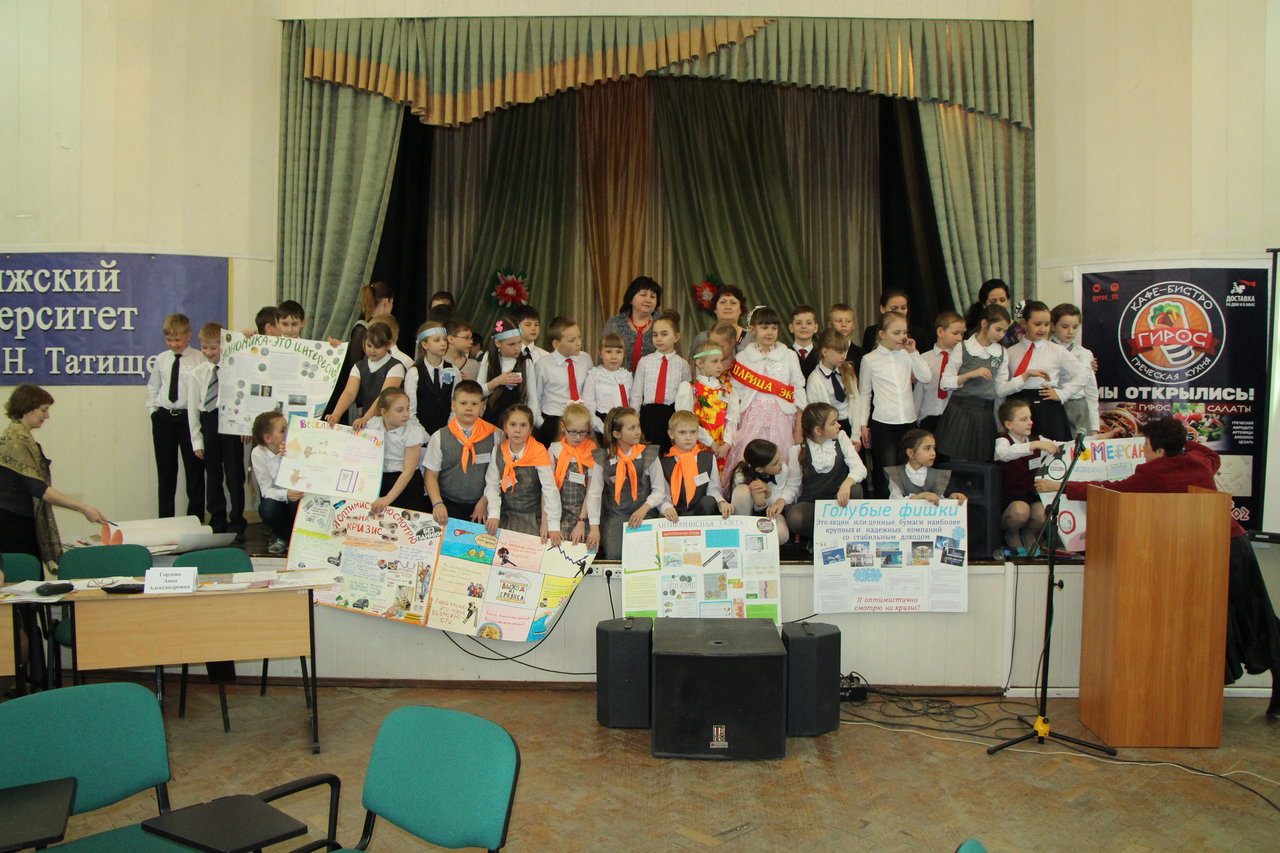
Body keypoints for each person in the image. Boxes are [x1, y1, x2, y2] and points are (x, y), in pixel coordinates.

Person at [1035, 416, 1280, 714]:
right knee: (1253, 614)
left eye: (1146, 446)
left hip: (1214, 550)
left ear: (1161, 452)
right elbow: (1207, 452)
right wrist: (1175, 438)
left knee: (1224, 619)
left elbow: (1109, 488)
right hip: (1235, 544)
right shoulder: (1200, 461)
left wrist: (1058, 485)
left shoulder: (1155, 472)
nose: (1142, 451)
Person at [1, 385, 108, 566]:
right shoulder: (15, 443)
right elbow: (40, 489)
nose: (47, 416)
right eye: (44, 410)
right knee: (24, 574)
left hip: (20, 520)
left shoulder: (22, 439)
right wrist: (83, 508)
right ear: (28, 408)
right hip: (12, 524)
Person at [721, 306, 806, 487]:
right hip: (751, 418)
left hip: (782, 418)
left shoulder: (789, 356)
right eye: (764, 327)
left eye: (774, 328)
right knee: (750, 461)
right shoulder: (743, 357)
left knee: (781, 461)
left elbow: (798, 388)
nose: (769, 332)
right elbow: (736, 394)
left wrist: (799, 425)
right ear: (753, 329)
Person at [856, 311, 931, 498]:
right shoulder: (870, 359)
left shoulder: (907, 355)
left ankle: (909, 507)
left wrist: (913, 353)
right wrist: (863, 424)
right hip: (884, 423)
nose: (902, 337)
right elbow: (864, 393)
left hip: (909, 421)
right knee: (886, 473)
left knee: (910, 470)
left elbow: (925, 377)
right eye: (896, 333)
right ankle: (884, 511)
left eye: (904, 332)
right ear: (882, 334)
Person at [936, 304, 1020, 463]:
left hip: (985, 413)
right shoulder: (963, 348)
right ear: (984, 323)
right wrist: (969, 374)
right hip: (961, 410)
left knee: (982, 463)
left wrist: (1023, 379)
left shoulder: (1001, 353)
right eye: (998, 329)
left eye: (1004, 331)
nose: (1001, 335)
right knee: (958, 462)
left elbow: (1000, 390)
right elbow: (945, 382)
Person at [186, 322, 246, 541]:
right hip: (209, 421)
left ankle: (237, 520)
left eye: (214, 347)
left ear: (224, 346)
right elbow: (193, 409)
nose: (209, 352)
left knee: (234, 474)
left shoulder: (235, 368)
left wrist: (245, 425)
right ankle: (217, 520)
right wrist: (196, 441)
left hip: (231, 422)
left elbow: (245, 398)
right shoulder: (198, 373)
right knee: (213, 475)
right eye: (205, 347)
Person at [1001, 300, 1088, 442]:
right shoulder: (1010, 352)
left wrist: (1063, 393)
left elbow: (1083, 374)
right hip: (1017, 406)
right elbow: (1002, 387)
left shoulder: (1057, 351)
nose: (1042, 329)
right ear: (1024, 323)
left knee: (1052, 450)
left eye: (1046, 324)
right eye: (1037, 324)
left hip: (1047, 406)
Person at [146, 312, 206, 518]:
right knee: (166, 473)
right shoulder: (162, 359)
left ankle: (195, 518)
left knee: (194, 472)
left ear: (189, 335)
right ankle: (165, 520)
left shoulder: (199, 358)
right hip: (164, 419)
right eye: (169, 340)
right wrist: (153, 412)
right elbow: (153, 386)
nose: (173, 344)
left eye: (177, 339)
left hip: (189, 420)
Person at [783, 403, 867, 541]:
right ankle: (823, 539)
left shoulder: (841, 438)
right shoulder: (798, 450)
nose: (839, 425)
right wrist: (781, 501)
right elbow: (793, 486)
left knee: (855, 489)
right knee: (795, 517)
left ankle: (842, 536)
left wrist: (847, 483)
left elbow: (859, 468)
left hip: (839, 501)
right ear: (818, 430)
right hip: (813, 505)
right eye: (833, 423)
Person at [586, 406, 660, 559]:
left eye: (638, 426)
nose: (638, 431)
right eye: (631, 428)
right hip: (616, 516)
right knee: (615, 554)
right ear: (616, 434)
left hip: (645, 514)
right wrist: (594, 527)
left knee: (645, 557)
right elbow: (594, 495)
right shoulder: (603, 458)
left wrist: (644, 509)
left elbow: (660, 490)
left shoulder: (649, 454)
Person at [423, 380, 500, 525]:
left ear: (482, 407)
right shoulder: (439, 437)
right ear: (453, 405)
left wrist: (485, 501)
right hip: (447, 503)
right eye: (463, 403)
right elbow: (431, 475)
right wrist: (437, 503)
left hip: (482, 504)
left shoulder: (496, 435)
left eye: (474, 404)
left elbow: (499, 475)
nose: (469, 408)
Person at [484, 404, 561, 541]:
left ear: (530, 429)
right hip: (505, 513)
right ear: (505, 427)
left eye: (523, 425)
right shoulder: (498, 451)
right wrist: (494, 513)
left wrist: (551, 524)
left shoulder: (539, 451)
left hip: (531, 516)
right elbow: (492, 485)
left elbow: (549, 489)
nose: (517, 430)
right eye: (513, 424)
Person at [995, 399, 1058, 557]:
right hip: (1008, 499)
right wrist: (1033, 446)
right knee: (1020, 510)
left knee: (1043, 512)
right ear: (1009, 424)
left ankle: (1029, 534)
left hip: (1031, 496)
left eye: (1030, 418)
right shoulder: (1003, 440)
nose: (1030, 422)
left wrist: (1101, 437)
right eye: (1024, 419)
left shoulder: (1038, 440)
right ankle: (1011, 534)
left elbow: (1064, 445)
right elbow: (1003, 454)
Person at [325, 280, 393, 422]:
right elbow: (355, 366)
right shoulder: (362, 328)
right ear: (387, 301)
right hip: (362, 399)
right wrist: (360, 403)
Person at [647, 410, 733, 521]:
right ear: (671, 434)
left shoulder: (708, 459)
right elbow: (663, 494)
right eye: (682, 432)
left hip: (703, 514)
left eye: (693, 432)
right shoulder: (664, 463)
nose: (688, 437)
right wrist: (666, 507)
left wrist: (722, 502)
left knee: (708, 501)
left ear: (698, 433)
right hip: (676, 516)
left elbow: (713, 491)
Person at [326, 321, 405, 430]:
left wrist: (365, 418)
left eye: (377, 347)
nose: (372, 350)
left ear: (388, 345)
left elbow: (384, 397)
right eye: (369, 345)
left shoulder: (396, 366)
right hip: (368, 423)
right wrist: (336, 414)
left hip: (391, 424)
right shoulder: (358, 366)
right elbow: (349, 392)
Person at [674, 342, 736, 476]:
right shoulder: (689, 388)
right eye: (714, 361)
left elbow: (732, 418)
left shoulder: (728, 389)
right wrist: (710, 443)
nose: (719, 365)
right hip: (697, 444)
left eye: (721, 360)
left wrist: (727, 445)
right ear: (700, 363)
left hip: (723, 448)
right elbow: (686, 421)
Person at [632, 311, 688, 453]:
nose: (659, 339)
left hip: (672, 414)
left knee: (670, 453)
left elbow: (686, 396)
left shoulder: (682, 364)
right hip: (648, 415)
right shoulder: (645, 362)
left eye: (664, 334)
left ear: (676, 337)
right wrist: (634, 418)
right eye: (655, 334)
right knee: (647, 453)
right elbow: (637, 393)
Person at [365, 387, 428, 513]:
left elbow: (408, 471)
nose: (406, 414)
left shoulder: (413, 431)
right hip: (379, 477)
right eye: (400, 410)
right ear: (384, 412)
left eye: (407, 408)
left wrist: (388, 499)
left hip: (405, 482)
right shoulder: (373, 424)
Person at [532, 316, 592, 445]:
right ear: (556, 344)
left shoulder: (586, 359)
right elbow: (536, 397)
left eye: (579, 337)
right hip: (555, 419)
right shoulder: (543, 365)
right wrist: (541, 424)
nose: (578, 343)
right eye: (572, 340)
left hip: (581, 420)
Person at [250, 411, 302, 554]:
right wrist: (286, 494)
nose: (288, 432)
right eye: (282, 430)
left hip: (298, 497)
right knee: (267, 508)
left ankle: (299, 540)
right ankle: (284, 537)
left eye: (288, 428)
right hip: (281, 498)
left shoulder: (296, 445)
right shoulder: (258, 453)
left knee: (297, 502)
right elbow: (266, 490)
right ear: (268, 438)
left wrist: (291, 455)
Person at [548, 403, 599, 547]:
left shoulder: (593, 452)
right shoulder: (554, 450)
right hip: (559, 513)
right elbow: (549, 489)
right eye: (573, 432)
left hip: (584, 514)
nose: (578, 437)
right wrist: (551, 523)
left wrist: (581, 521)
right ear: (563, 426)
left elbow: (591, 492)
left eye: (583, 432)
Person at [1050, 303, 1102, 436]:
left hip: (1080, 409)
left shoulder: (1085, 354)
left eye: (1075, 327)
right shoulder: (1045, 351)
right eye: (1065, 326)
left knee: (1082, 446)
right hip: (1054, 407)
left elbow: (1091, 392)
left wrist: (1094, 427)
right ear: (1053, 326)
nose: (1070, 331)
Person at [727, 438, 792, 544]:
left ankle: (763, 546)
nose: (781, 463)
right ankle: (742, 536)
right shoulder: (741, 474)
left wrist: (768, 491)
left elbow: (777, 500)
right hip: (747, 514)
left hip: (770, 512)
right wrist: (757, 499)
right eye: (775, 463)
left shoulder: (782, 469)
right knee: (741, 491)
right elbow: (740, 501)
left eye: (780, 457)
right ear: (760, 469)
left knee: (782, 534)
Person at [914, 311, 966, 435]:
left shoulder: (963, 360)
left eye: (962, 334)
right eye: (955, 333)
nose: (960, 338)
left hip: (955, 418)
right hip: (929, 418)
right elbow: (918, 393)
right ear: (940, 332)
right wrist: (915, 419)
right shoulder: (923, 359)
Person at [884, 430, 967, 503]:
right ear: (910, 453)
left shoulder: (937, 475)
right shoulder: (896, 474)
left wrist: (951, 499)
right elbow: (895, 501)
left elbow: (939, 502)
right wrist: (920, 496)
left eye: (934, 448)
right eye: (927, 448)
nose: (933, 453)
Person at [479, 318, 536, 424]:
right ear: (498, 343)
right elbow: (478, 392)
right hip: (491, 420)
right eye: (511, 344)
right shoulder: (489, 358)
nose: (517, 348)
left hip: (516, 421)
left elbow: (532, 398)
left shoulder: (526, 362)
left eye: (519, 342)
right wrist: (497, 382)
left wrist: (531, 422)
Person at [602, 276, 662, 372]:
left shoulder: (664, 323)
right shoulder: (614, 324)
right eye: (643, 295)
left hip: (654, 379)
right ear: (631, 299)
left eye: (652, 296)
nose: (648, 300)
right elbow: (603, 355)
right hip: (619, 378)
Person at [404, 322, 455, 435]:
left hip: (446, 432)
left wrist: (447, 431)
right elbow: (410, 410)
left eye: (444, 339)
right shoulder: (414, 373)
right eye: (437, 340)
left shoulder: (453, 371)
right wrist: (425, 436)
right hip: (420, 435)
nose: (443, 343)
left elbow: (455, 403)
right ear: (425, 345)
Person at [806, 329, 858, 438]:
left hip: (849, 424)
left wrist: (856, 435)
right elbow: (817, 414)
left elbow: (856, 402)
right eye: (840, 352)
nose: (844, 356)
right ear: (825, 352)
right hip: (829, 429)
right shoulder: (815, 379)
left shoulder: (847, 370)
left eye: (845, 351)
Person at [582, 333, 633, 437]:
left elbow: (632, 402)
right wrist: (603, 427)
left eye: (618, 352)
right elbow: (588, 407)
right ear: (600, 354)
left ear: (624, 354)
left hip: (624, 422)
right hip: (602, 423)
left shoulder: (627, 376)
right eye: (608, 352)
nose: (614, 356)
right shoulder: (594, 376)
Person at [690, 284, 751, 356]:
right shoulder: (702, 338)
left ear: (741, 310)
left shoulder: (751, 338)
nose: (728, 307)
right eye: (723, 302)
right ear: (715, 309)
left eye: (733, 303)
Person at [965, 278, 1020, 346]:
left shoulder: (1015, 328)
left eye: (1002, 300)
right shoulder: (976, 330)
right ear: (984, 305)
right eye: (993, 302)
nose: (998, 304)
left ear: (1008, 301)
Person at [789, 304, 820, 378]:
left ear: (815, 328)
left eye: (808, 323)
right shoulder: (784, 355)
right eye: (798, 323)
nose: (803, 326)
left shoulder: (823, 356)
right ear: (791, 328)